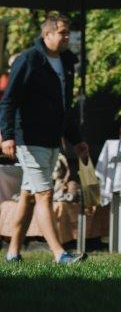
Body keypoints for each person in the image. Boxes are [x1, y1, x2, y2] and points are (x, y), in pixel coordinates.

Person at [0, 14, 89, 264]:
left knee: (28, 196)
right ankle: (60, 254)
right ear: (46, 34)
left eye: (68, 32)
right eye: (62, 32)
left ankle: (13, 252)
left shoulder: (67, 62)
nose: (67, 37)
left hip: (52, 140)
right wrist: (7, 135)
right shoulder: (29, 60)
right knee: (45, 195)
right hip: (29, 139)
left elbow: (65, 107)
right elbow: (9, 101)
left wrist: (76, 140)